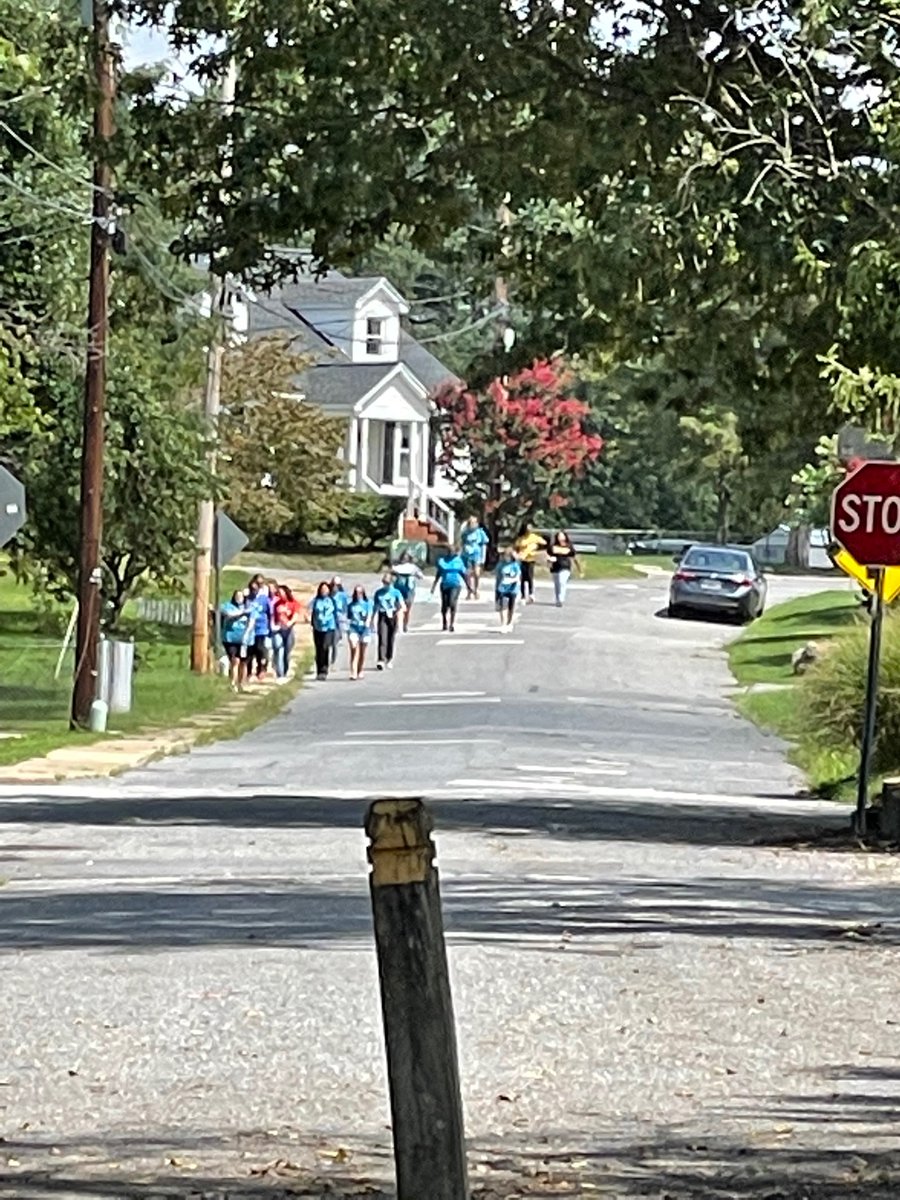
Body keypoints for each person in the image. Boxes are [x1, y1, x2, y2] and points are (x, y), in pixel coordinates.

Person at [372, 572, 406, 670]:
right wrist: (372, 619)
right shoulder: (378, 593)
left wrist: (400, 611)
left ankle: (389, 658)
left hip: (393, 615)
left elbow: (402, 605)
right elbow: (375, 606)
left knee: (391, 638)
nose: (385, 585)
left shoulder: (396, 592)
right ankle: (381, 660)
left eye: (387, 583)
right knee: (382, 637)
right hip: (382, 615)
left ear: (391, 583)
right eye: (384, 583)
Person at [431, 545, 467, 632]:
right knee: (444, 605)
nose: (451, 552)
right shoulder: (442, 561)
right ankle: (444, 622)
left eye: (452, 551)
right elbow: (438, 574)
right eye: (449, 551)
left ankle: (452, 624)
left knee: (452, 603)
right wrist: (434, 585)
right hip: (444, 585)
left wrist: (469, 587)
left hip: (455, 585)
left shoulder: (459, 561)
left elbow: (464, 574)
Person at [220, 588, 251, 691]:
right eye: (237, 596)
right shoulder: (227, 606)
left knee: (243, 662)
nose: (239, 598)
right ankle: (233, 683)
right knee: (235, 660)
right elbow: (228, 615)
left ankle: (241, 682)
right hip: (230, 637)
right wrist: (242, 613)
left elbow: (253, 618)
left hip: (244, 639)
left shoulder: (249, 606)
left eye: (241, 596)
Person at [309, 581, 339, 680]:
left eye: (326, 589)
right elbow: (309, 610)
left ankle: (324, 670)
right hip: (318, 628)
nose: (324, 591)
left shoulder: (332, 600)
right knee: (319, 649)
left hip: (329, 628)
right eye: (322, 589)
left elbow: (336, 613)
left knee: (325, 647)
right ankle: (319, 670)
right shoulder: (316, 601)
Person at [272, 584, 303, 681]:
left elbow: (296, 615)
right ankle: (280, 674)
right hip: (278, 630)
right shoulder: (276, 604)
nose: (279, 594)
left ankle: (285, 671)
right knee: (279, 649)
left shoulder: (293, 603)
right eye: (278, 593)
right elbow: (273, 616)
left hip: (288, 630)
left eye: (281, 592)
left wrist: (290, 623)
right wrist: (274, 625)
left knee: (286, 652)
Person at [245, 579, 274, 679]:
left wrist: (270, 627)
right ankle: (248, 672)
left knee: (260, 648)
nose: (254, 591)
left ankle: (261, 668)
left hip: (261, 628)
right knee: (249, 651)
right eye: (252, 589)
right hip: (249, 629)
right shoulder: (247, 599)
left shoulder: (264, 599)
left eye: (255, 589)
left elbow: (270, 614)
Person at [514, 521, 546, 605]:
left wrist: (536, 546)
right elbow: (517, 546)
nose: (529, 530)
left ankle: (531, 594)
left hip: (531, 559)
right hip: (522, 559)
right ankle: (523, 596)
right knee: (522, 579)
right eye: (528, 528)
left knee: (529, 577)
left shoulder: (534, 537)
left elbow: (544, 543)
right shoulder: (521, 538)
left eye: (530, 528)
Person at [547, 530, 582, 607]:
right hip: (555, 567)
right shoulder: (553, 547)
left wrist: (579, 569)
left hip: (565, 567)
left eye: (562, 536)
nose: (560, 538)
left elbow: (575, 557)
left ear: (565, 537)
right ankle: (557, 599)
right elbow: (548, 555)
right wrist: (549, 561)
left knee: (562, 582)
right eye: (559, 536)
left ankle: (561, 599)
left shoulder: (569, 546)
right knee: (557, 584)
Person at [346, 585, 374, 680]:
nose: (358, 595)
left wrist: (368, 622)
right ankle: (353, 672)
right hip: (353, 628)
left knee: (362, 651)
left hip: (365, 630)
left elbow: (370, 614)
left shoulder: (367, 604)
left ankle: (360, 670)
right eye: (356, 593)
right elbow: (349, 617)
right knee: (354, 649)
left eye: (360, 592)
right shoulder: (351, 605)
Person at [392, 552, 424, 632]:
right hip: (399, 590)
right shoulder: (396, 567)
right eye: (403, 558)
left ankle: (405, 625)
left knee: (407, 609)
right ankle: (397, 625)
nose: (404, 560)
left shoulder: (413, 567)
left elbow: (421, 576)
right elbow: (390, 576)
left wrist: (416, 574)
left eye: (406, 558)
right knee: (398, 608)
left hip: (409, 590)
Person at [460, 515, 489, 600]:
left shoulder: (480, 533)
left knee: (477, 573)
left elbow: (484, 545)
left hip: (476, 555)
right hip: (466, 555)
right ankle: (469, 591)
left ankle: (476, 590)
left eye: (474, 522)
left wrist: (483, 558)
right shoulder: (465, 533)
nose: (472, 524)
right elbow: (462, 543)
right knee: (467, 574)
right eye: (470, 523)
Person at [495, 548, 522, 632]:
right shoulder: (500, 565)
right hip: (502, 588)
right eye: (505, 556)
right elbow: (498, 577)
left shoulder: (515, 565)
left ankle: (509, 623)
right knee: (503, 606)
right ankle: (503, 624)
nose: (506, 558)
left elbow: (518, 576)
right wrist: (497, 589)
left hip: (513, 588)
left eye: (508, 556)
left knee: (511, 607)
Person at [329, 576, 349, 667]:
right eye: (333, 585)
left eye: (337, 585)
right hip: (329, 620)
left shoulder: (343, 596)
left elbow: (346, 608)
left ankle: (333, 661)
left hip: (339, 620)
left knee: (334, 642)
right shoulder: (327, 595)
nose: (334, 587)